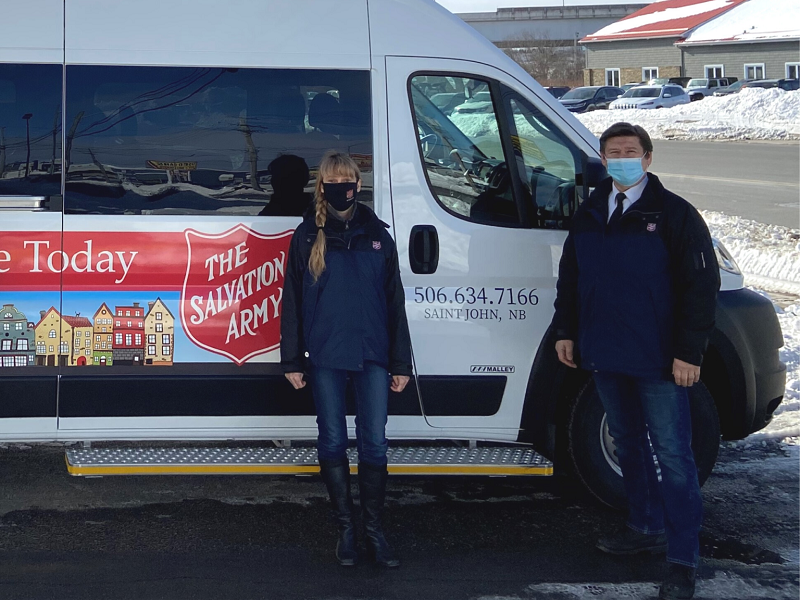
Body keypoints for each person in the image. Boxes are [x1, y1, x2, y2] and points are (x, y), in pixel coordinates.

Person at [552, 123, 720, 600]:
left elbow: (700, 288)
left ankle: (682, 559)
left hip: (660, 359)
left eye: (631, 151)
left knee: (674, 455)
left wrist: (690, 352)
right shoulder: (590, 212)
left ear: (647, 159)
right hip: (605, 353)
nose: (622, 158)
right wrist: (566, 331)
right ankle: (643, 527)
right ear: (603, 161)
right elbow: (571, 277)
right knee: (628, 445)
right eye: (613, 152)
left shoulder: (674, 214)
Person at [281, 150, 413, 568]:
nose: (343, 186)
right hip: (325, 356)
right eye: (334, 179)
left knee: (374, 442)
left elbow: (395, 302)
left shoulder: (379, 235)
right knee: (334, 440)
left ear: (358, 182)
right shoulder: (305, 237)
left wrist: (400, 363)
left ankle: (374, 530)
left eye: (349, 178)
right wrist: (292, 361)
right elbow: (293, 305)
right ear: (323, 185)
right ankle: (347, 530)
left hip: (373, 355)